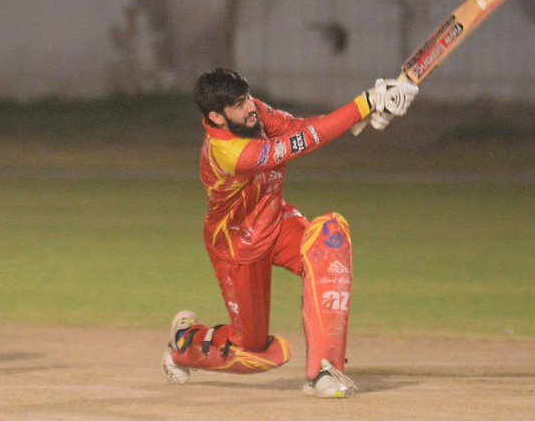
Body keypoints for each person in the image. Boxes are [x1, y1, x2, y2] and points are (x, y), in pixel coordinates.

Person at [162, 68, 418, 397]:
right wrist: (365, 103)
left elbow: (298, 128)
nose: (250, 107)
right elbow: (304, 141)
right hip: (237, 246)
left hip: (277, 221)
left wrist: (362, 116)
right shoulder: (232, 153)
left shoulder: (252, 113)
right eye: (238, 105)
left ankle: (325, 371)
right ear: (216, 117)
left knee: (330, 242)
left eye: (247, 97)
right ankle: (184, 344)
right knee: (256, 353)